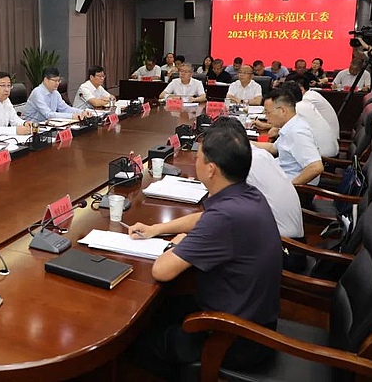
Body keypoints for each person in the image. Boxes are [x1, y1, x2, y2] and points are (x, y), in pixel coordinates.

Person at [127, 123, 280, 377]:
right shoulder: (247, 194)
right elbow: (203, 219)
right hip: (248, 314)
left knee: (135, 342)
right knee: (160, 310)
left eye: (198, 158)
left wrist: (177, 243)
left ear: (211, 169)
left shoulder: (225, 217)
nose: (194, 162)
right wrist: (157, 229)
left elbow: (161, 270)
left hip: (234, 337)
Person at [211, 118, 304, 240]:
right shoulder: (260, 154)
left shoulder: (242, 162)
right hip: (288, 232)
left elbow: (219, 204)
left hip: (282, 241)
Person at [255, 88, 324, 185]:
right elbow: (273, 148)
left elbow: (316, 167)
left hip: (287, 183)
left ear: (282, 111)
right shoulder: (290, 126)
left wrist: (289, 187)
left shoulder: (298, 132)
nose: (266, 117)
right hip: (279, 174)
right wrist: (245, 143)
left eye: (267, 112)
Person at [23, 67, 91, 122]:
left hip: (48, 126)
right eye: (55, 81)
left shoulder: (55, 92)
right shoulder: (37, 93)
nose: (57, 83)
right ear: (45, 80)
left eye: (58, 81)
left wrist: (82, 112)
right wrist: (72, 116)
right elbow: (48, 115)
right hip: (33, 128)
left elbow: (65, 109)